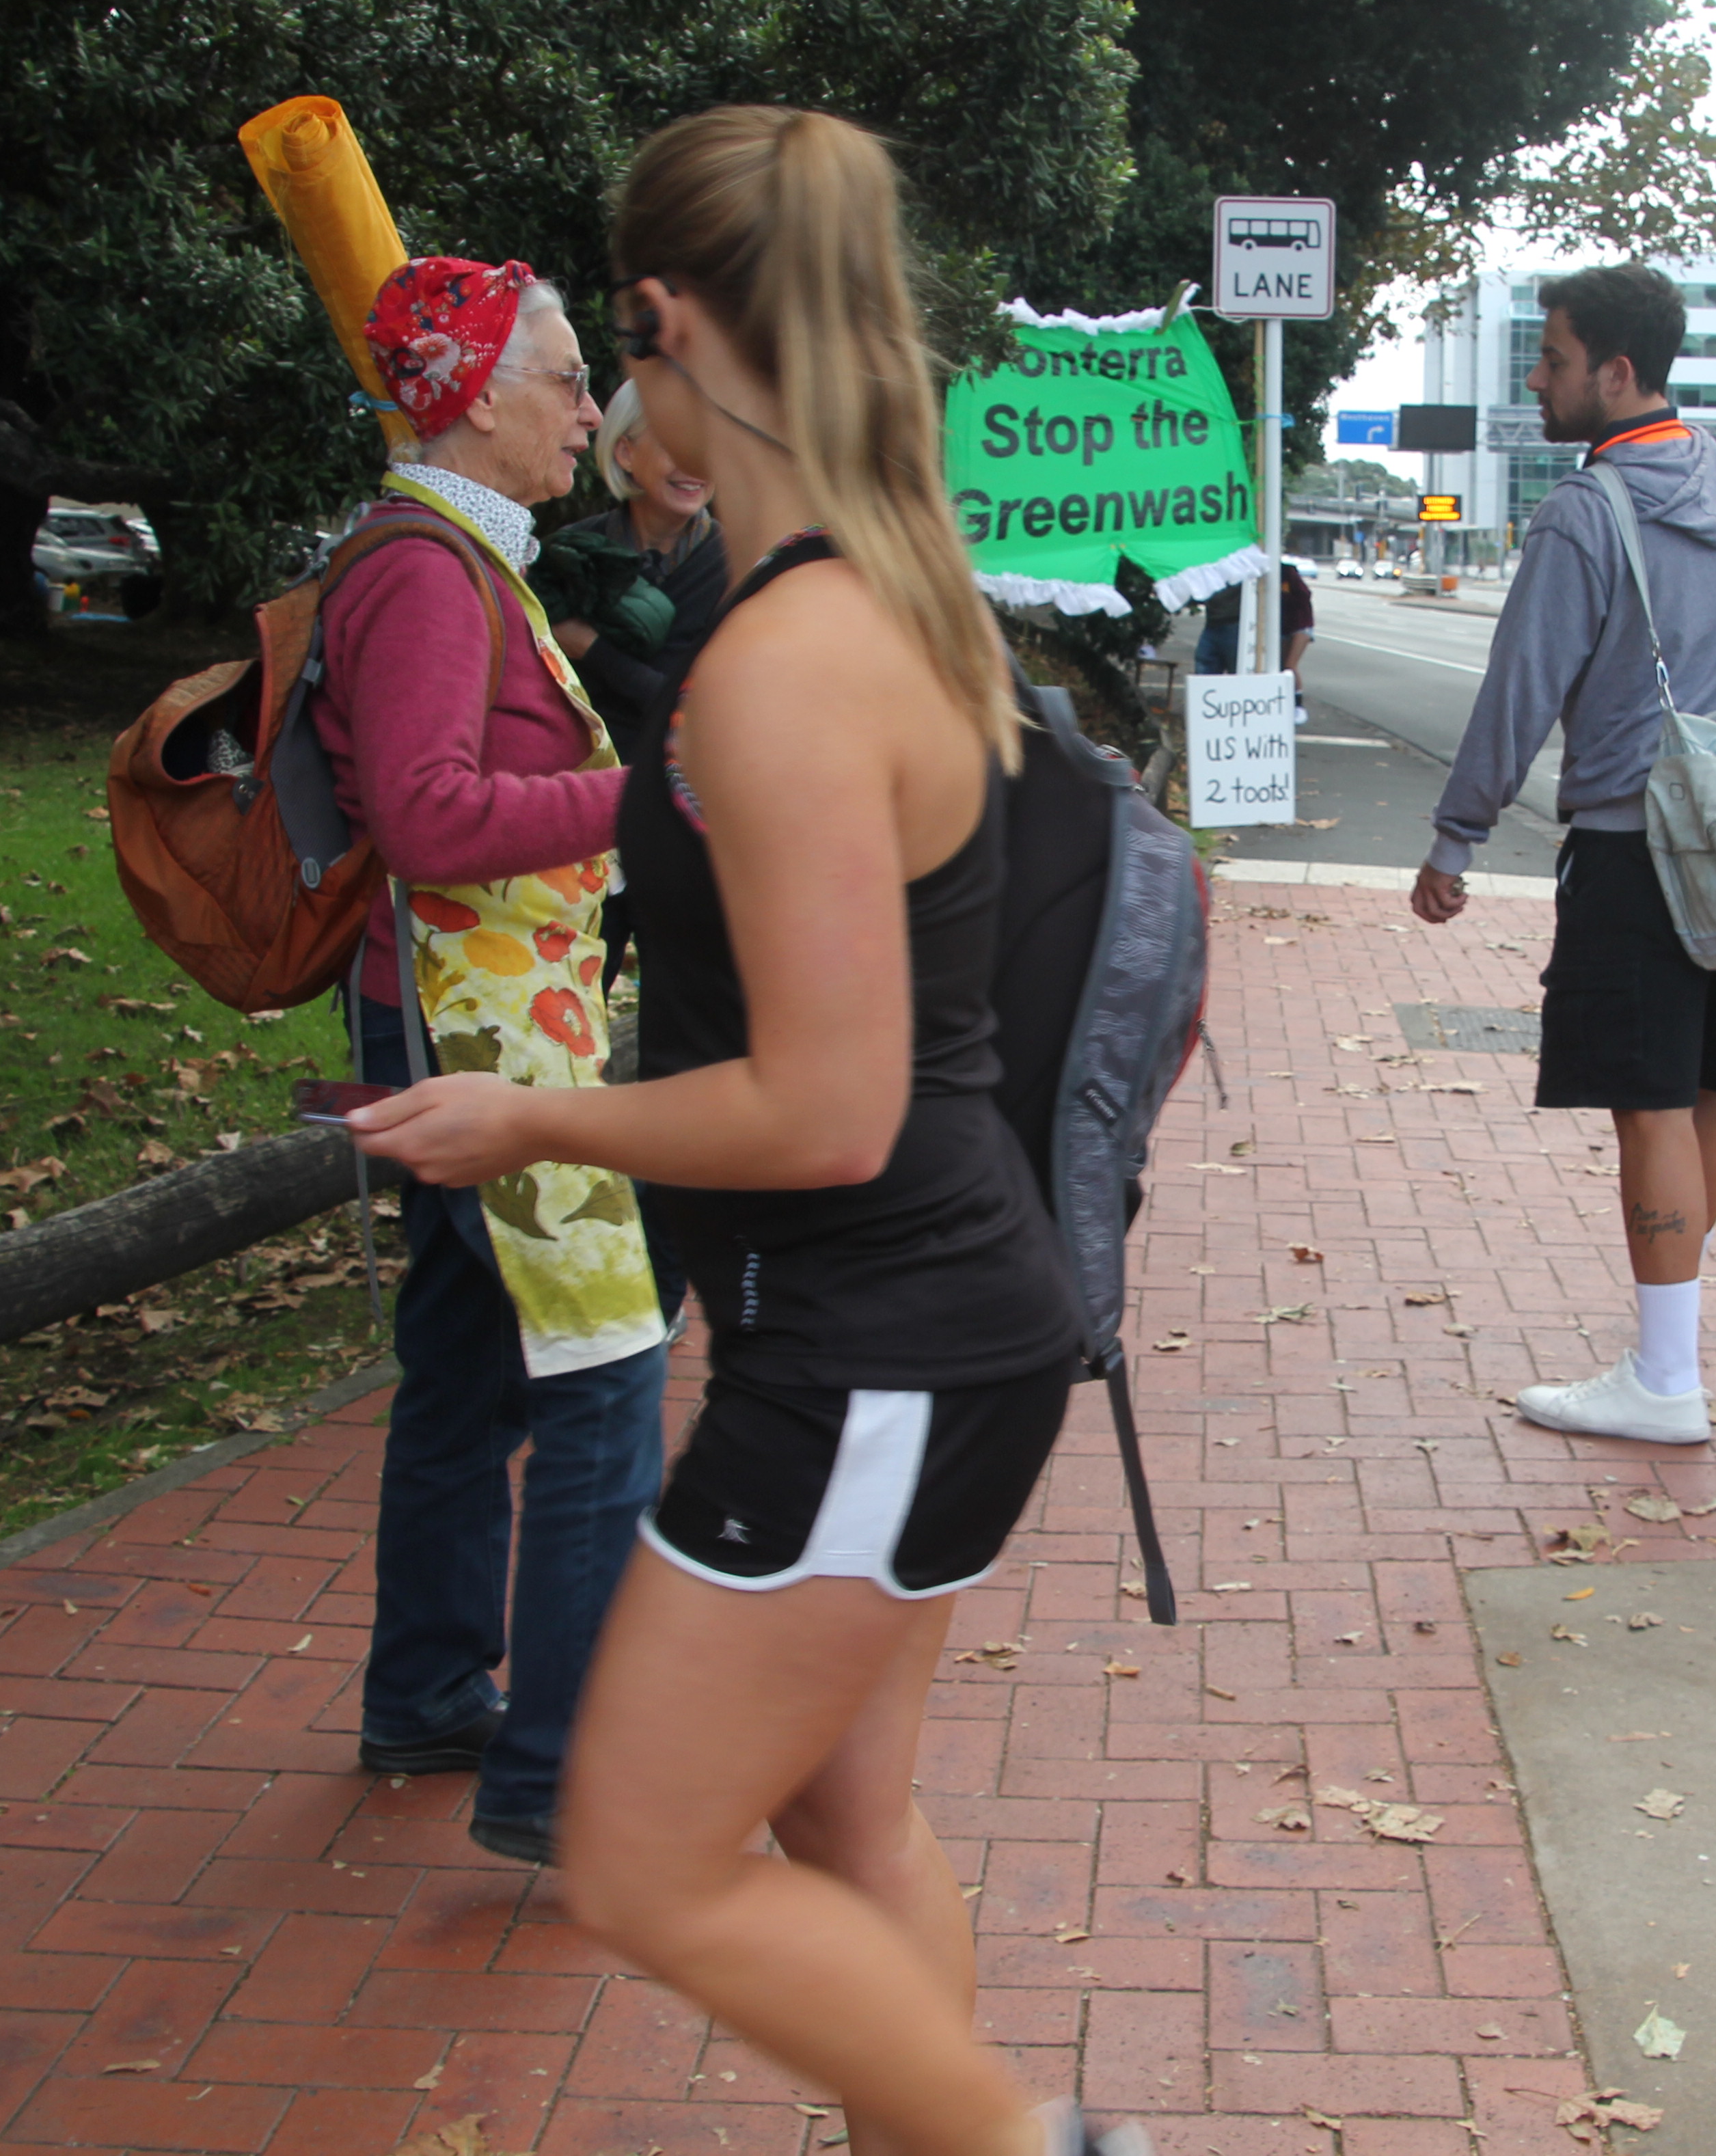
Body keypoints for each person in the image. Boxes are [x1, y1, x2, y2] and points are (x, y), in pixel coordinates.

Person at [348, 108, 1148, 2156]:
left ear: (669, 321)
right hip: (921, 1324)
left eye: (612, 352)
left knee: (638, 1860)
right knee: (846, 1820)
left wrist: (527, 1114)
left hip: (880, 1342)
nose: (607, 399)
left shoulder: (785, 663)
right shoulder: (876, 592)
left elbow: (826, 1102)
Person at [311, 255, 679, 1864]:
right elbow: (427, 815)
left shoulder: (457, 556)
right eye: (564, 379)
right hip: (475, 1035)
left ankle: (428, 1692)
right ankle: (563, 1772)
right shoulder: (423, 572)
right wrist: (659, 797)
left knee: (468, 1369)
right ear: (466, 397)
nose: (591, 411)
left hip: (479, 1021)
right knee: (608, 1369)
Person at [1409, 262, 1716, 1447]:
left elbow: (1523, 683)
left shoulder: (1587, 510)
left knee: (1648, 1107)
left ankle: (1665, 1380)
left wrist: (1456, 836)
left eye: (1554, 357)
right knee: (1703, 1092)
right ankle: (1669, 1346)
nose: (1537, 378)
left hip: (1634, 848)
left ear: (1617, 372)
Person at [545, 381, 735, 989]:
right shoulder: (571, 556)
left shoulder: (736, 566)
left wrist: (593, 650)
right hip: (581, 822)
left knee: (685, 1010)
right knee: (570, 1001)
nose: (695, 463)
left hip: (686, 827)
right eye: (677, 441)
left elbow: (700, 712)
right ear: (624, 452)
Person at [1280, 559, 1316, 723]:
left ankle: (1299, 706)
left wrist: (1285, 597)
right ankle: (1286, 702)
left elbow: (1305, 595)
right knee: (1282, 666)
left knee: (1290, 665)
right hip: (1284, 627)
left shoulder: (1287, 573)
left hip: (1301, 625)